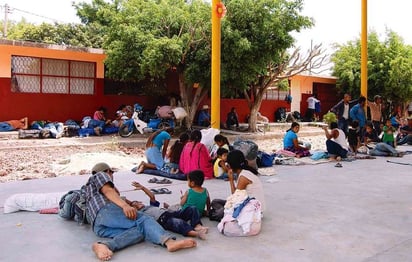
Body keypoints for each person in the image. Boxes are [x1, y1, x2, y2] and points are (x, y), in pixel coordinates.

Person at [85, 162, 196, 261]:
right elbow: (108, 190)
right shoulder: (101, 175)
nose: (112, 176)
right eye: (112, 173)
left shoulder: (89, 190)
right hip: (106, 211)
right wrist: (125, 206)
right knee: (144, 219)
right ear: (108, 171)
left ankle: (104, 245)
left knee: (139, 231)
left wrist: (130, 203)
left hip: (98, 226)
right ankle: (169, 242)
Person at [131, 182, 208, 240]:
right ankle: (197, 234)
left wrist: (142, 188)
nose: (137, 204)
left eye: (137, 202)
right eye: (134, 205)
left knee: (192, 208)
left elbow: (152, 196)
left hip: (170, 213)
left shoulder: (150, 206)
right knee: (179, 223)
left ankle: (197, 226)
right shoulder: (141, 214)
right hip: (163, 220)